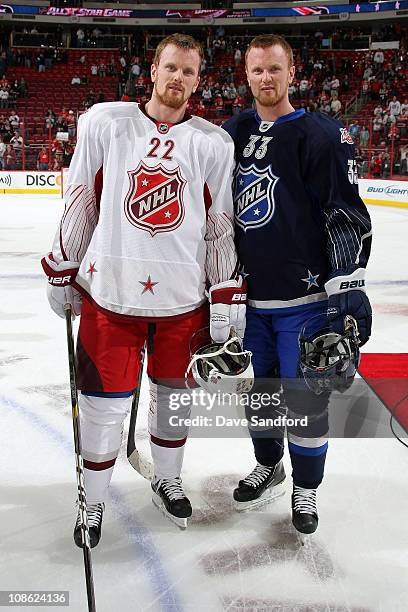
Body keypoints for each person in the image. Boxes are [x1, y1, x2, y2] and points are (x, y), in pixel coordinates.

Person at [41, 34, 245, 546]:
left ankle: (168, 477)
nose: (179, 79)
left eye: (189, 72)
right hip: (111, 296)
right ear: (152, 70)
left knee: (175, 402)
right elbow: (81, 198)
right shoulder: (104, 123)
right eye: (171, 67)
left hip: (184, 302)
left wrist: (224, 291)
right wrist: (63, 266)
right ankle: (93, 498)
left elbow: (221, 224)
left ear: (199, 80)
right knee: (101, 406)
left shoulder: (213, 142)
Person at [223, 35, 372, 535]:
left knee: (306, 399)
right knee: (259, 398)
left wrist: (348, 289)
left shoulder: (322, 135)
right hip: (248, 302)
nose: (266, 78)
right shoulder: (233, 131)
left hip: (304, 302)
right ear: (246, 75)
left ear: (293, 73)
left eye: (275, 69)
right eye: (257, 70)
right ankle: (270, 466)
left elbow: (344, 213)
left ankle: (305, 490)